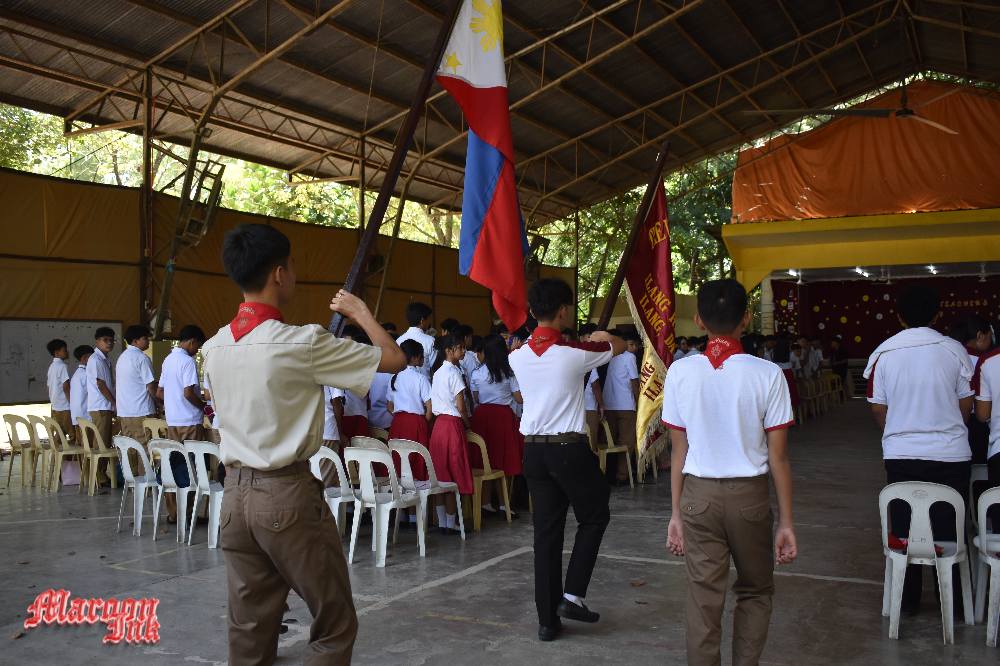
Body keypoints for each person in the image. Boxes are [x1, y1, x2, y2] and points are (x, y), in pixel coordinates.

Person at [201, 223, 405, 664]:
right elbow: (394, 359)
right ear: (279, 273)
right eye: (291, 266)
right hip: (286, 494)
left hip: (233, 497)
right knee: (333, 622)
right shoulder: (302, 342)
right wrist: (360, 312)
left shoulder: (214, 346)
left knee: (249, 627)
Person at [664, 279, 797, 666]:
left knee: (703, 597)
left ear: (698, 320)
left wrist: (675, 514)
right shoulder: (768, 374)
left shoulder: (680, 372)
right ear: (747, 319)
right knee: (755, 590)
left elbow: (679, 450)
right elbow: (779, 458)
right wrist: (786, 522)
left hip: (697, 498)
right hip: (749, 498)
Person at [508, 278, 625, 642]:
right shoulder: (574, 353)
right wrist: (602, 335)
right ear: (563, 311)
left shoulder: (516, 356)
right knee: (595, 514)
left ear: (531, 311)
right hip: (568, 448)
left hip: (533, 450)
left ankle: (547, 621)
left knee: (546, 533)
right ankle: (572, 595)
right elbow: (619, 345)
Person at [864, 284, 974, 615]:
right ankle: (952, 603)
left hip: (901, 455)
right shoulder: (955, 350)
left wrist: (900, 431)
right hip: (951, 455)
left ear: (899, 316)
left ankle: (907, 602)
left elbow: (878, 408)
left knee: (905, 529)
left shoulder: (884, 353)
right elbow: (966, 405)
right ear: (937, 315)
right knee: (950, 530)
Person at [470, 334, 524, 516]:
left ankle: (485, 502)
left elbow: (476, 398)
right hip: (503, 417)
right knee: (504, 461)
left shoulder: (476, 373)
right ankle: (504, 504)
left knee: (485, 461)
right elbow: (519, 399)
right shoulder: (509, 372)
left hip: (482, 417)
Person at [157, 325, 207, 522]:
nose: (197, 351)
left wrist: (173, 404)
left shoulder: (168, 360)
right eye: (198, 346)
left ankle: (174, 513)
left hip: (173, 422)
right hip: (190, 422)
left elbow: (160, 392)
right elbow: (188, 393)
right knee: (191, 469)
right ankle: (188, 514)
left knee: (173, 467)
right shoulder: (187, 361)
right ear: (192, 341)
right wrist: (203, 407)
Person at [428, 333, 472, 535]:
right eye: (460, 347)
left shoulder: (437, 372)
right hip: (453, 424)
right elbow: (461, 406)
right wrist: (468, 424)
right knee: (454, 473)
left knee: (440, 473)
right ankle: (452, 522)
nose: (463, 351)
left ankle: (443, 522)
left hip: (439, 426)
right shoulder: (454, 373)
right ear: (448, 350)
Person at [951, 314, 993, 465]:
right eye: (990, 337)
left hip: (949, 423)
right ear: (980, 336)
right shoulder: (986, 361)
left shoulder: (947, 357)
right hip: (978, 424)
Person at [601, 331, 640, 483]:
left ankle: (608, 473)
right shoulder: (629, 357)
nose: (634, 348)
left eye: (636, 345)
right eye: (631, 344)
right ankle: (622, 476)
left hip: (609, 404)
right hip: (626, 405)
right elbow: (634, 381)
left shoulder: (611, 356)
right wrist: (638, 401)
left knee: (609, 442)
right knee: (626, 442)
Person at [116, 324, 158, 461]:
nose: (148, 341)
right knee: (145, 451)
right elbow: (151, 386)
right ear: (135, 341)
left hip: (125, 411)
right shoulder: (142, 358)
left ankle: (131, 475)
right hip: (141, 411)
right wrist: (159, 402)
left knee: (130, 450)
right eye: (145, 338)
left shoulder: (122, 357)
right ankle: (146, 475)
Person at [86, 326, 117, 484]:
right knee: (101, 443)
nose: (109, 343)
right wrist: (114, 402)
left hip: (104, 406)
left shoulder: (105, 359)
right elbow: (101, 384)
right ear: (97, 341)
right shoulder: (96, 360)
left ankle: (101, 474)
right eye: (105, 340)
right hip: (101, 406)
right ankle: (99, 476)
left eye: (111, 340)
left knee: (105, 442)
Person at [397, 302, 436, 378]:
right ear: (422, 320)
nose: (429, 323)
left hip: (402, 384)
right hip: (424, 384)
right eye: (428, 319)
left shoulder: (398, 341)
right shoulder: (430, 341)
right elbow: (436, 368)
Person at [46, 339, 72, 439]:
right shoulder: (62, 366)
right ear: (56, 352)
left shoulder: (51, 367)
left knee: (59, 435)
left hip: (55, 406)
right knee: (72, 434)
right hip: (65, 406)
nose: (67, 352)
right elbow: (66, 386)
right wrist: (71, 402)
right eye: (64, 350)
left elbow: (49, 386)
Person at [69, 345, 93, 442]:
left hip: (77, 415)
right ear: (85, 358)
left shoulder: (77, 374)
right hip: (85, 416)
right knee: (89, 443)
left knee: (82, 443)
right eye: (92, 357)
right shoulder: (86, 374)